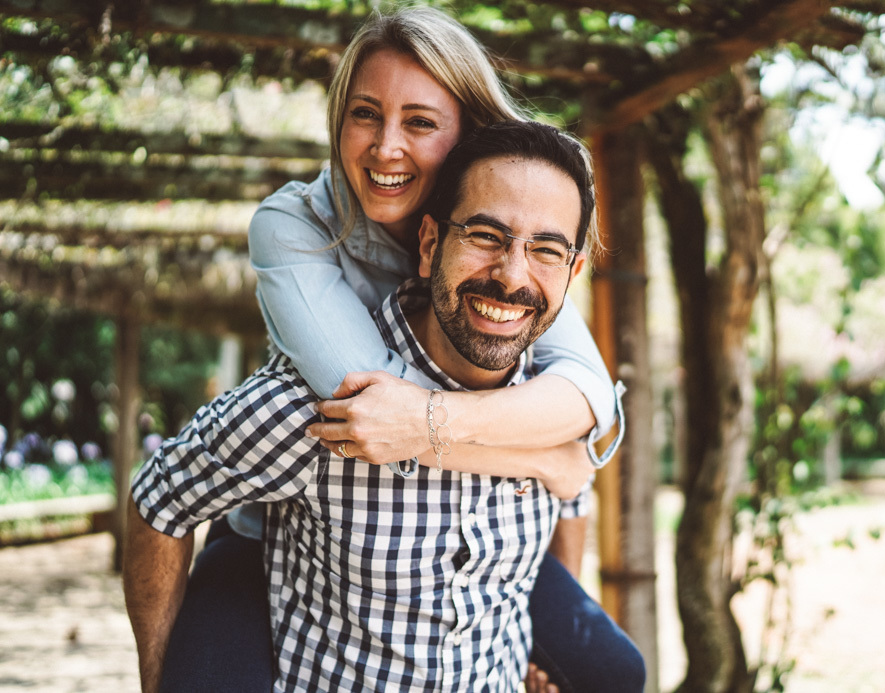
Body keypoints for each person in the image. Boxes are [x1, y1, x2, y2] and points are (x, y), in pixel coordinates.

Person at [127, 6, 641, 692]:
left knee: (614, 670)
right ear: (432, 244)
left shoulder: (517, 249)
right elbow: (374, 407)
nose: (385, 147)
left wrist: (521, 621)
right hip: (274, 520)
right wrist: (548, 454)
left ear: (469, 133)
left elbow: (587, 397)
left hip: (457, 516)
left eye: (420, 122)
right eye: (364, 114)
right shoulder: (296, 225)